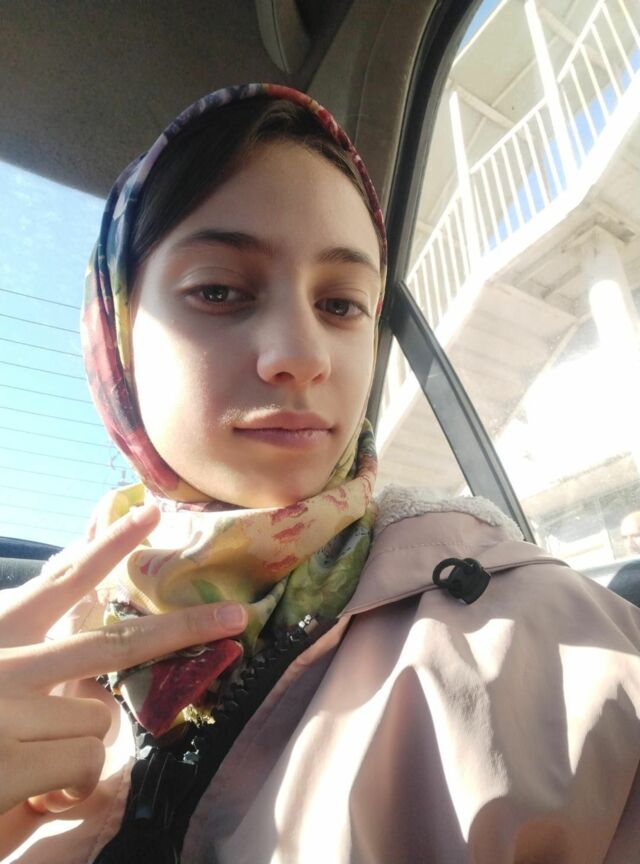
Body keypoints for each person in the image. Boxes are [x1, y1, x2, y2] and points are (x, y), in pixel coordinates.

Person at [1, 83, 639, 864]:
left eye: (341, 304)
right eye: (219, 291)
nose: (302, 356)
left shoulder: (541, 636)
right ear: (118, 332)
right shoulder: (27, 653)